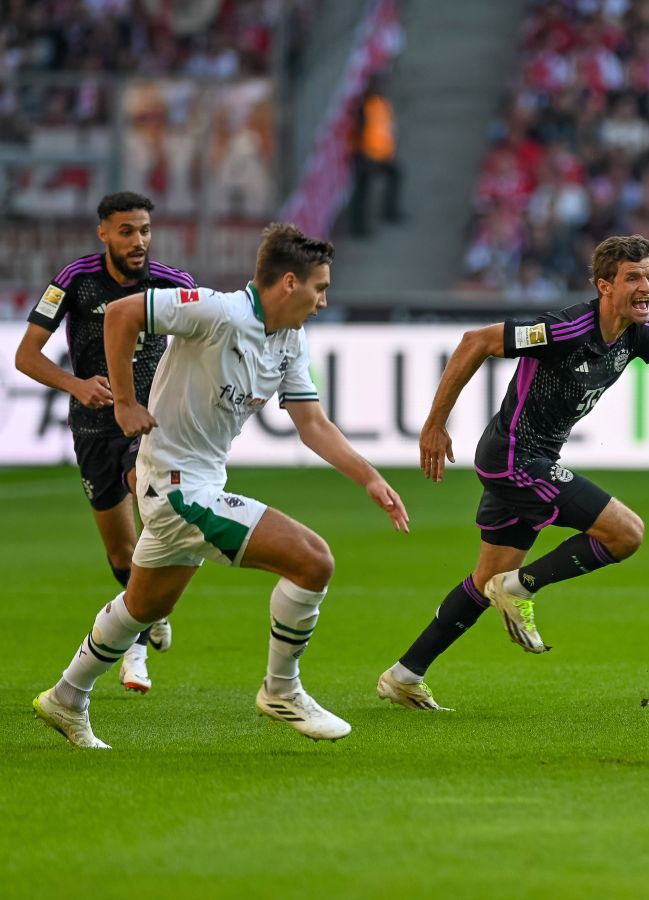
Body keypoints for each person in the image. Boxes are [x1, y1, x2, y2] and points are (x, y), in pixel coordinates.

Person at [32, 223, 409, 749]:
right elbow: (121, 313)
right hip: (177, 487)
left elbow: (312, 422)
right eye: (320, 288)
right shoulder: (217, 311)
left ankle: (65, 698)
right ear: (289, 282)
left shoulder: (289, 339)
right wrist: (123, 400)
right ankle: (281, 690)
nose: (324, 301)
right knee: (313, 560)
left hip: (198, 481)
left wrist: (369, 477)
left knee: (144, 607)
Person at [377, 234, 649, 711]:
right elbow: (476, 341)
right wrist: (435, 424)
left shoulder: (641, 335)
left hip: (534, 460)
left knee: (486, 577)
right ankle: (520, 587)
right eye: (633, 278)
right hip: (513, 457)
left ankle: (404, 674)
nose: (646, 286)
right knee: (626, 533)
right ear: (605, 285)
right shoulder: (565, 329)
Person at [15, 191, 194, 694]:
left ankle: (133, 651)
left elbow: (212, 338)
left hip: (149, 424)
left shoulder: (173, 284)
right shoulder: (74, 280)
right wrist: (77, 385)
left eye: (144, 231)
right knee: (121, 553)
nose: (138, 242)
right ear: (104, 233)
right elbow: (26, 356)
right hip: (92, 427)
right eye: (126, 232)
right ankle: (148, 610)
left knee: (147, 495)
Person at [348, 73, 403, 236]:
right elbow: (357, 133)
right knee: (362, 192)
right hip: (366, 156)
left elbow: (387, 130)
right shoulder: (364, 107)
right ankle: (358, 229)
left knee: (395, 176)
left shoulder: (382, 104)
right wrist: (362, 157)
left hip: (382, 155)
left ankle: (389, 212)